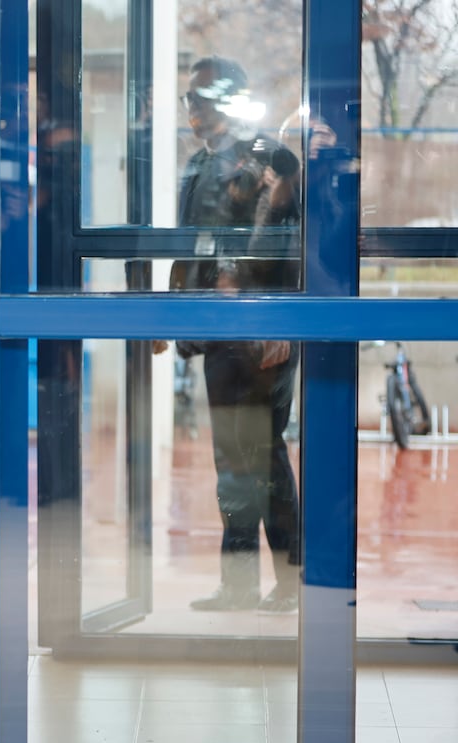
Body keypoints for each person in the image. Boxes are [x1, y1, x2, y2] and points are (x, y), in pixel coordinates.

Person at [156, 56, 302, 613]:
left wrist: (280, 323)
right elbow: (187, 244)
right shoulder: (199, 165)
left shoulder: (269, 157)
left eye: (202, 97)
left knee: (264, 457)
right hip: (218, 333)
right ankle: (239, 582)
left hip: (263, 333)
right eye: (189, 99)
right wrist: (173, 316)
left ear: (231, 100)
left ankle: (290, 583)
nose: (193, 108)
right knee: (233, 462)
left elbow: (287, 241)